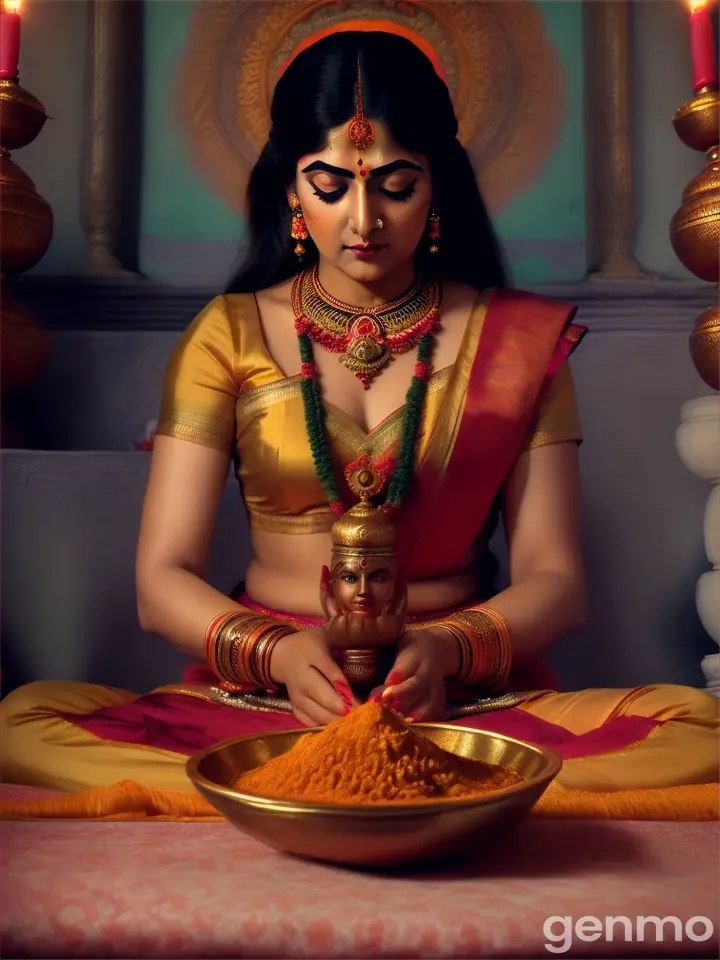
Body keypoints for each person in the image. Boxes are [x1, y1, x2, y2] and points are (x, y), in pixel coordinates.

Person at [1, 31, 717, 805]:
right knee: (26, 720)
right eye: (331, 184)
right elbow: (161, 579)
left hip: (461, 699)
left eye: (396, 185)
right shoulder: (230, 331)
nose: (364, 219)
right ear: (290, 191)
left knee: (693, 726)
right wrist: (275, 655)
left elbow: (556, 579)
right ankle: (373, 790)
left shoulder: (516, 339)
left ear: (438, 186)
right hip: (267, 696)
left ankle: (299, 795)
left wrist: (444, 652)